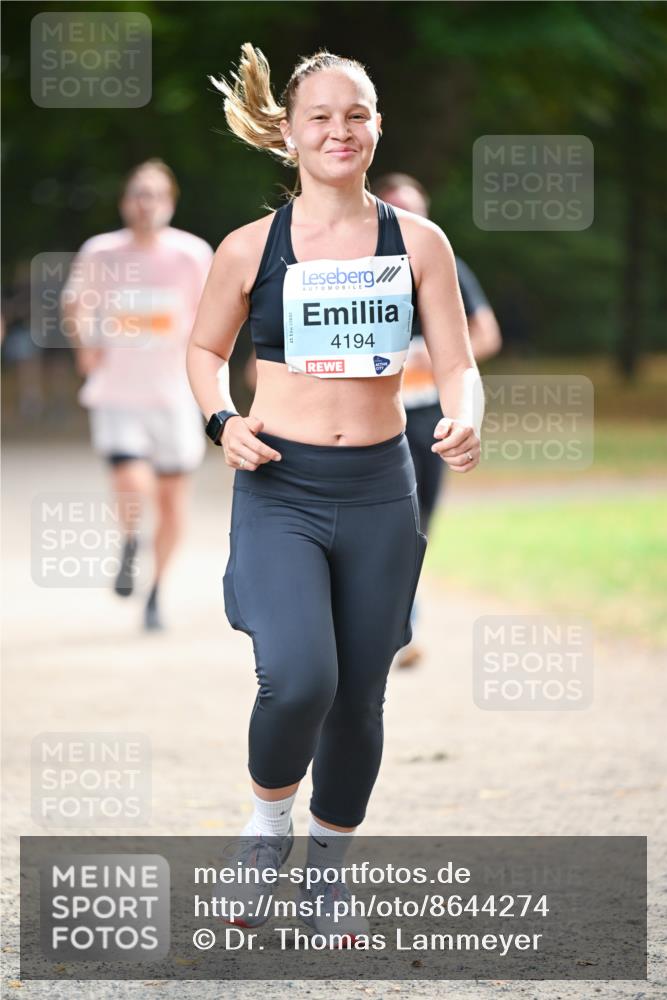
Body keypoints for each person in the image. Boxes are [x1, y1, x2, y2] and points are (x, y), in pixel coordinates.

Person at [187, 44, 484, 944]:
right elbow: (203, 353)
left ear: (376, 124)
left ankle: (326, 870)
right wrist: (219, 420)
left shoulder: (417, 242)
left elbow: (460, 363)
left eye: (355, 113)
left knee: (359, 694)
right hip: (281, 484)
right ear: (288, 132)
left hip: (379, 491)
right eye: (319, 115)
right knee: (298, 678)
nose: (338, 130)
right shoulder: (250, 248)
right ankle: (267, 824)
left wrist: (465, 416)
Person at [61, 160, 214, 630]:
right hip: (118, 391)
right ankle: (130, 540)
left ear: (169, 202)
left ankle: (156, 591)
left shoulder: (191, 254)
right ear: (125, 202)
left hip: (172, 395)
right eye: (136, 194)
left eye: (154, 195)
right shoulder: (102, 252)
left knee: (171, 501)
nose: (144, 204)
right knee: (131, 482)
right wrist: (85, 343)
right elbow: (77, 305)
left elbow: (213, 318)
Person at [372, 174, 502, 667]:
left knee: (415, 525)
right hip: (370, 416)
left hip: (427, 416)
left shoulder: (446, 264)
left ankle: (398, 622)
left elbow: (485, 335)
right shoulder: (349, 269)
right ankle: (396, 627)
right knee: (382, 523)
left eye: (413, 209)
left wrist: (436, 356)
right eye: (395, 209)